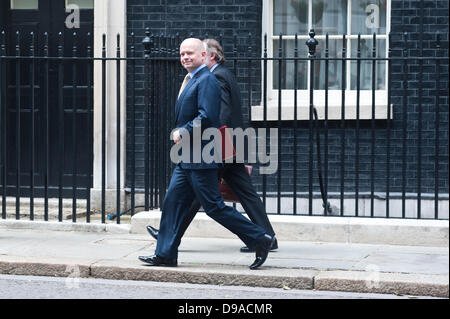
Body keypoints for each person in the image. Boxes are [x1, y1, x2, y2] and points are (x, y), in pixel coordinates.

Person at [138, 38, 274, 270]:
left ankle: (260, 238)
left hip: (202, 156)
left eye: (190, 53)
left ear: (204, 55)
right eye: (182, 54)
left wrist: (184, 130)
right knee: (172, 203)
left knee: (214, 207)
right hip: (186, 157)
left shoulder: (208, 80)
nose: (185, 57)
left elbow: (209, 116)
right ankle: (165, 254)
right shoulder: (193, 79)